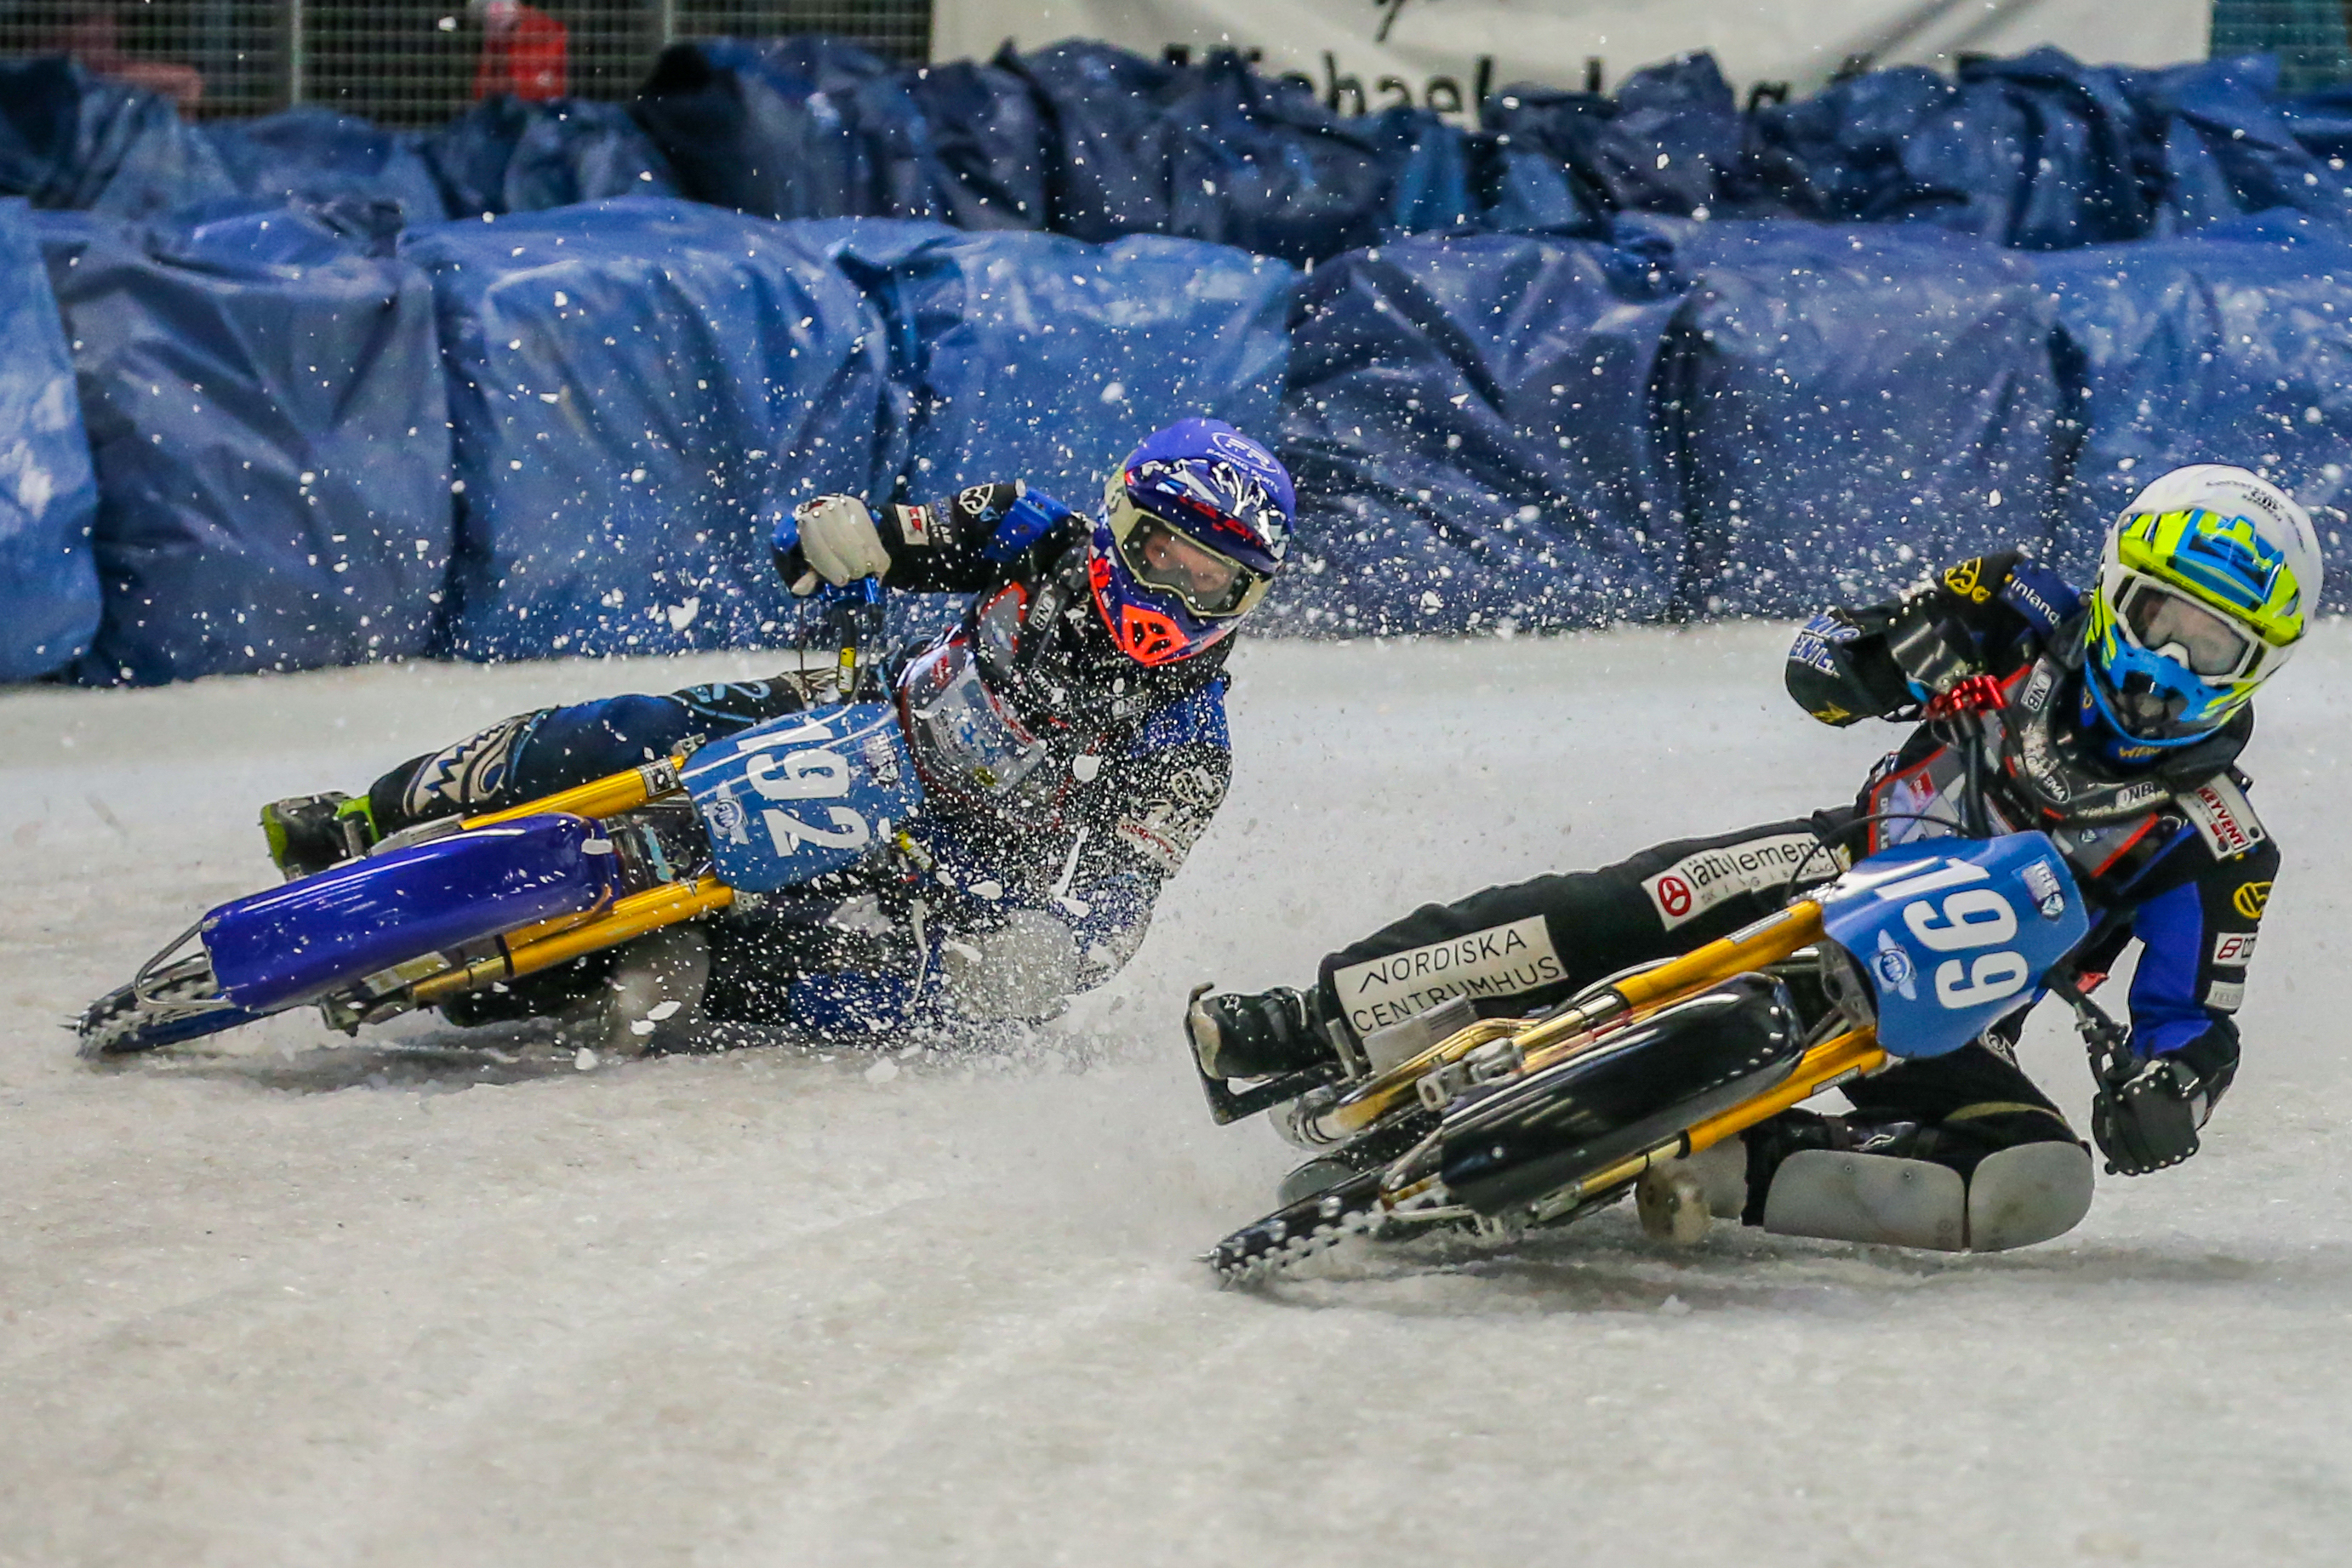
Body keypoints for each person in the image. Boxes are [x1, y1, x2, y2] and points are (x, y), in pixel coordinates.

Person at [1189, 464, 2315, 1252]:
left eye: (2215, 647)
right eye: (2164, 617)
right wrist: (1880, 659)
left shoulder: (2221, 841)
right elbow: (1821, 657)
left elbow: (2196, 1018)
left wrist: (2168, 1092)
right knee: (1618, 904)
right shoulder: (2012, 603)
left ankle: (1721, 1171)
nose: (2173, 665)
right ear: (2117, 588)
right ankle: (1310, 1015)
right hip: (1835, 863)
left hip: (1952, 1010)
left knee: (2034, 1178)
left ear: (2255, 670)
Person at [262, 418, 1294, 1047]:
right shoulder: (1033, 527)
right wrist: (833, 537)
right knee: (625, 726)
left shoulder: (1189, 747)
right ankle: (376, 811)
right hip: (861, 715)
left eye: (1216, 580)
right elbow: (867, 542)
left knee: (930, 999)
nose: (1181, 592)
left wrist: (1057, 952)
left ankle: (655, 977)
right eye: (1168, 554)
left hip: (945, 867)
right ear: (1121, 523)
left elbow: (1122, 897)